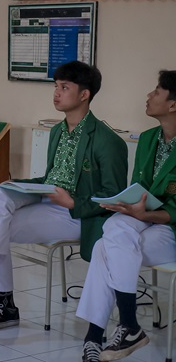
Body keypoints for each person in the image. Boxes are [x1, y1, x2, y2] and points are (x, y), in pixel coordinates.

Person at [0, 61, 127, 332]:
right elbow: (51, 177)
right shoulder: (58, 130)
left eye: (64, 87)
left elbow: (114, 197)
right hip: (49, 198)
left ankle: (3, 301)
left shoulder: (108, 141)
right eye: (55, 86)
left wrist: (73, 202)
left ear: (84, 95)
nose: (56, 93)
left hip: (75, 213)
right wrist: (19, 184)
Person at [75, 70, 176, 362]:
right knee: (116, 231)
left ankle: (99, 335)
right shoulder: (147, 139)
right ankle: (128, 326)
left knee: (105, 246)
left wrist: (147, 213)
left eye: (156, 91)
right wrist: (129, 205)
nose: (148, 96)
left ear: (172, 104)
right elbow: (140, 187)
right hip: (143, 222)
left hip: (170, 230)